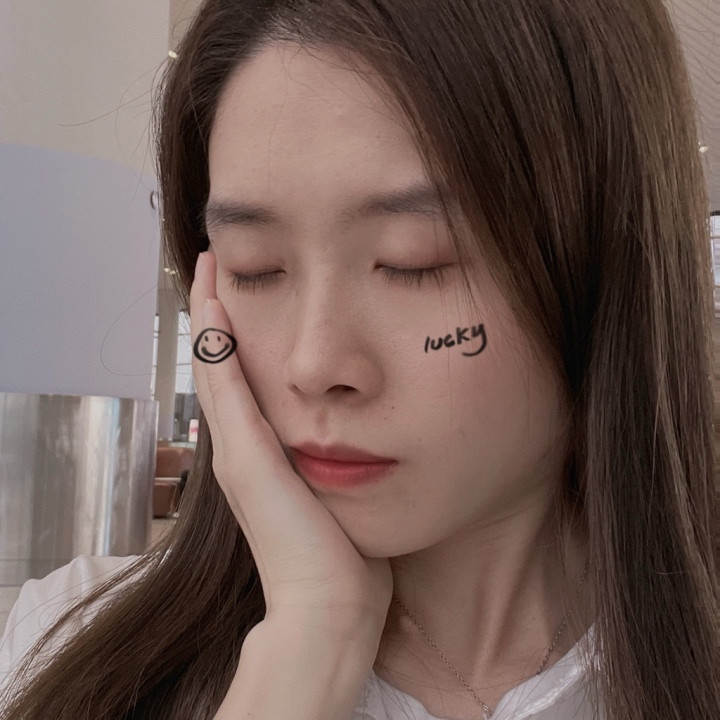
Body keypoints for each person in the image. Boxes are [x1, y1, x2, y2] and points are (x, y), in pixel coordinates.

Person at [1, 0, 718, 718]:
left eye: (413, 262)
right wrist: (308, 644)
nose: (313, 365)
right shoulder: (65, 643)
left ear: (604, 265)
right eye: (255, 267)